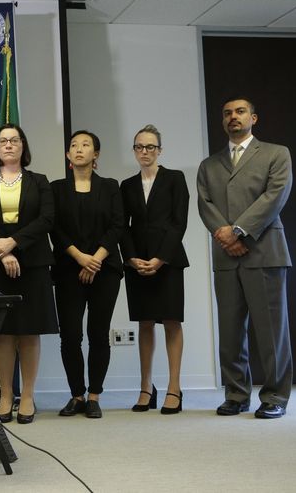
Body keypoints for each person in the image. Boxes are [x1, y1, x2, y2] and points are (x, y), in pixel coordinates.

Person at [197, 97, 293, 419]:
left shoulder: (276, 154)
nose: (232, 117)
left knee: (270, 332)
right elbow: (204, 203)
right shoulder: (209, 165)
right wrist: (226, 236)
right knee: (230, 330)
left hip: (264, 252)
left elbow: (275, 196)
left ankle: (275, 396)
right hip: (227, 257)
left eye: (239, 112)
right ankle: (236, 394)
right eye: (227, 113)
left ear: (254, 117)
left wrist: (238, 231)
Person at [0, 124, 57, 424]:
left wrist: (15, 242)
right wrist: (3, 251)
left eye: (14, 140)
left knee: (29, 331)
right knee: (3, 332)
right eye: (3, 141)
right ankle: (6, 395)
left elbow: (47, 218)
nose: (8, 145)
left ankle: (28, 396)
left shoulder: (39, 181)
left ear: (23, 146)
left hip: (32, 262)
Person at [51, 130, 124, 419]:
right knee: (70, 335)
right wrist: (80, 258)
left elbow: (118, 225)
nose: (79, 149)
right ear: (68, 155)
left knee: (98, 333)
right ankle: (77, 395)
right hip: (69, 268)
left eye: (86, 145)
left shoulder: (110, 186)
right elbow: (54, 228)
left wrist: (95, 260)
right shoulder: (56, 188)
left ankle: (94, 395)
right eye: (73, 145)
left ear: (96, 155)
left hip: (105, 269)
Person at [120, 124, 189, 414]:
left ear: (160, 150)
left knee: (171, 321)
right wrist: (132, 258)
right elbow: (122, 227)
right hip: (137, 260)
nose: (144, 152)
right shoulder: (126, 185)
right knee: (145, 322)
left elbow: (179, 222)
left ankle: (175, 387)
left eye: (150, 147)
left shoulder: (175, 178)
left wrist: (161, 258)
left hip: (168, 259)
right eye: (139, 147)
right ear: (134, 150)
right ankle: (146, 387)